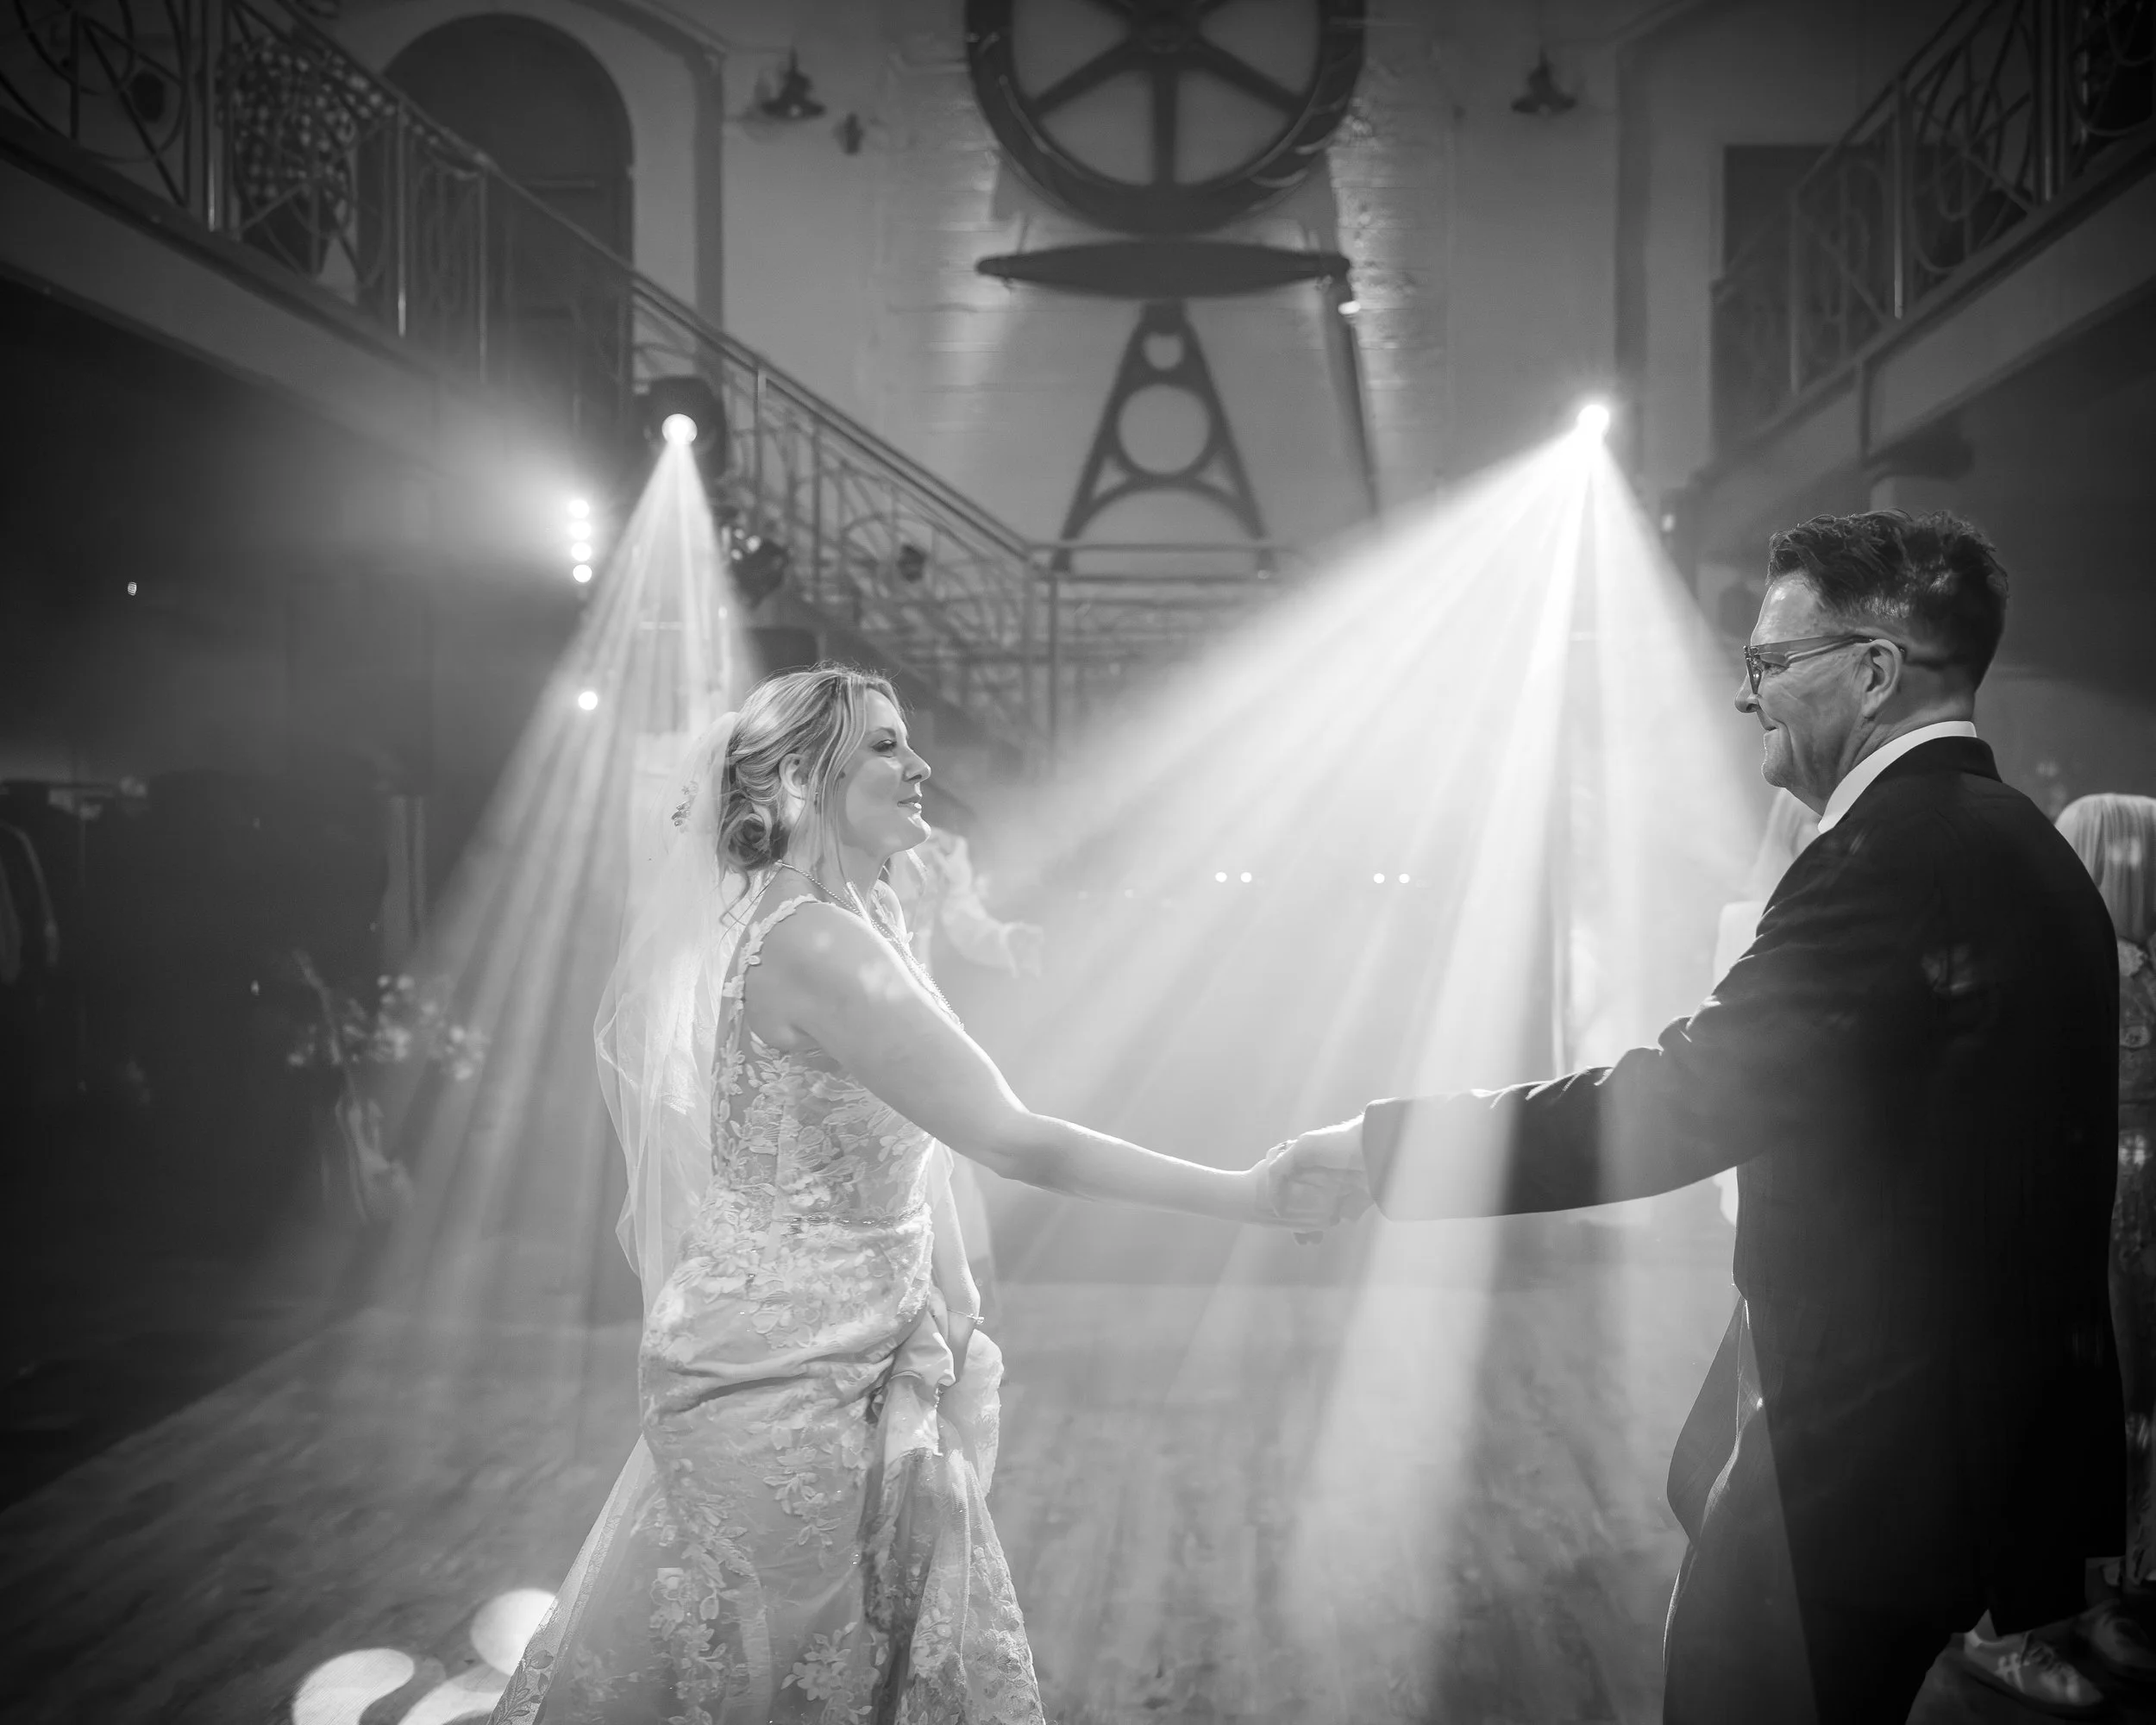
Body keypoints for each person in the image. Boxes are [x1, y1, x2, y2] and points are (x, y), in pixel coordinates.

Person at [1265, 511, 2124, 1723]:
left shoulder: (1898, 852)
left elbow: (1686, 1097)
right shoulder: (2016, 844)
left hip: (1872, 1441)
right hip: (1937, 1424)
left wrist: (1384, 1149)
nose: (1747, 697)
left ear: (1875, 671)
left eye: (1772, 665)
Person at [492, 665, 1326, 1725]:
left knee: (857, 1667)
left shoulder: (858, 911)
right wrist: (1248, 1193)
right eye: (886, 745)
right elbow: (1016, 1139)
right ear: (801, 775)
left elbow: (900, 1140)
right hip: (785, 1371)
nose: (920, 763)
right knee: (784, 1682)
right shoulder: (819, 941)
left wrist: (942, 1273)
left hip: (857, 1344)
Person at [2058, 793, 2156, 1680]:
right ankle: (2104, 1593)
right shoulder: (2095, 969)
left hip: (2125, 1205)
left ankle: (2115, 1589)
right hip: (2112, 1209)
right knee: (2121, 1401)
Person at [888, 826, 1047, 1320]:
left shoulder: (940, 846)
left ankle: (963, 1330)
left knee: (950, 1174)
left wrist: (1009, 941)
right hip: (858, 1019)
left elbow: (963, 921)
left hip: (924, 1028)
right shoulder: (828, 838)